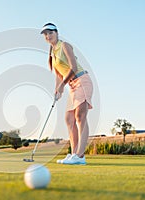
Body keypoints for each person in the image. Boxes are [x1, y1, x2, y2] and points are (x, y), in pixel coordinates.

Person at [41, 23, 93, 165]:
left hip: (81, 80)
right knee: (69, 119)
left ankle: (80, 156)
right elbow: (58, 75)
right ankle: (74, 153)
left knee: (80, 116)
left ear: (56, 33)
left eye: (50, 32)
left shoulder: (64, 46)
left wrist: (63, 85)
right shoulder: (52, 53)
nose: (48, 36)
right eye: (45, 34)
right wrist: (57, 89)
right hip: (71, 85)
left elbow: (73, 67)